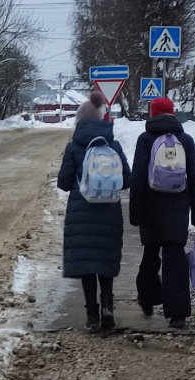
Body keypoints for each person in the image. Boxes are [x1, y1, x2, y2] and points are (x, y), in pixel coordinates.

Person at [57, 91, 131, 332]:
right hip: (109, 212)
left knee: (87, 265)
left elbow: (64, 183)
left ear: (79, 121)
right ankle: (108, 307)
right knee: (104, 261)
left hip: (81, 213)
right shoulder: (113, 144)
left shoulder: (74, 147)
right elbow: (127, 180)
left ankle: (91, 315)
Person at [129, 97, 195, 329]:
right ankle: (178, 314)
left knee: (150, 256)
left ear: (152, 114)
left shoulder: (145, 139)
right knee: (175, 257)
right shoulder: (185, 140)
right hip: (177, 208)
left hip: (151, 209)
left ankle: (148, 298)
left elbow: (139, 177)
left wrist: (135, 212)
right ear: (172, 113)